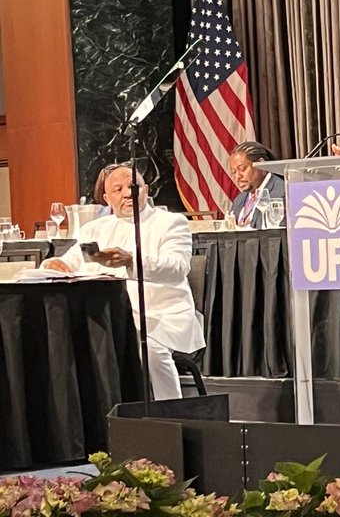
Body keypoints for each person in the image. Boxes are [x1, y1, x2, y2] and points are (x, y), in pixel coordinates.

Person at [44, 164, 204, 399]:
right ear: (107, 198)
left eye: (132, 186)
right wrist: (53, 266)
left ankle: (171, 413)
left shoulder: (171, 222)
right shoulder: (95, 229)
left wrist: (131, 261)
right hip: (109, 318)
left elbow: (177, 267)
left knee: (150, 350)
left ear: (146, 190)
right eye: (118, 190)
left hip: (162, 316)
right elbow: (70, 262)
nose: (127, 193)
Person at [227, 141, 284, 228]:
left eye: (242, 169)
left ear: (261, 164)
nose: (238, 176)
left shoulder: (282, 192)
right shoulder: (239, 199)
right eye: (234, 172)